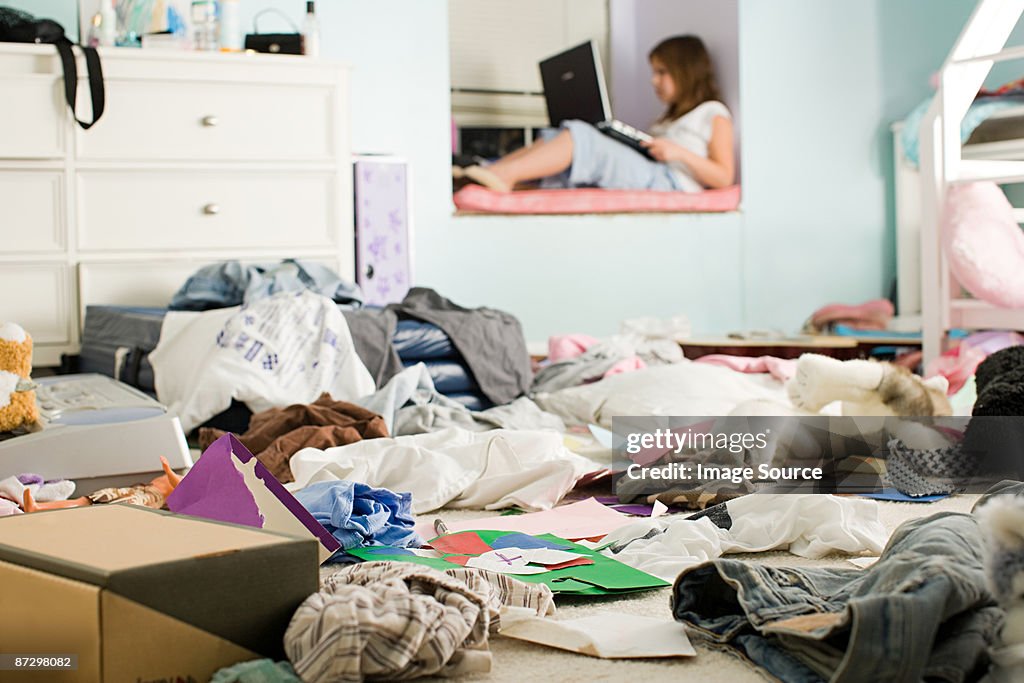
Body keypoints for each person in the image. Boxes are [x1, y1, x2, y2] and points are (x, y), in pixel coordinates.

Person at [454, 35, 734, 194]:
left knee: (582, 137)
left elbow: (724, 177)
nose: (654, 81)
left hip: (672, 183)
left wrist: (677, 153)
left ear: (686, 71)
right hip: (654, 171)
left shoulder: (712, 113)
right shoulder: (668, 119)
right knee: (559, 135)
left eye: (662, 72)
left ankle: (502, 176)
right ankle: (487, 170)